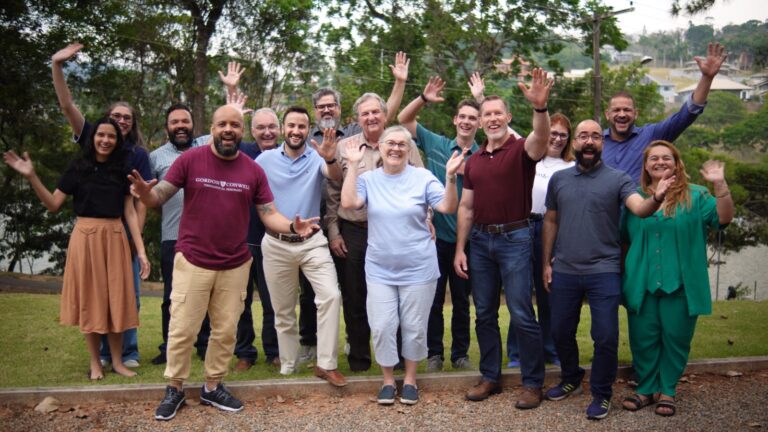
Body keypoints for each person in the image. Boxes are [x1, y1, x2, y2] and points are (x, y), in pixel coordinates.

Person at [130, 104, 320, 421]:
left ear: (242, 131)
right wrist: (144, 194)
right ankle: (174, 388)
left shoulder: (253, 170)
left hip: (235, 262)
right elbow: (159, 195)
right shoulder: (190, 159)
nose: (228, 130)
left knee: (225, 331)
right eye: (222, 124)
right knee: (182, 328)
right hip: (193, 259)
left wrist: (291, 226)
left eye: (234, 125)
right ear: (213, 129)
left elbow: (269, 213)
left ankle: (212, 385)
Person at [541, 120, 676, 420]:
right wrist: (546, 263)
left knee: (605, 336)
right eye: (583, 136)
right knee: (560, 331)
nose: (589, 141)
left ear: (602, 143)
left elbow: (640, 209)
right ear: (575, 142)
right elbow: (550, 220)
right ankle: (571, 377)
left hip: (604, 270)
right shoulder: (559, 179)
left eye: (595, 136)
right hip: (564, 269)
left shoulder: (618, 179)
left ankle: (601, 393)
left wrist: (657, 197)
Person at [3, 117, 150, 381]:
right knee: (91, 301)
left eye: (111, 136)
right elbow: (52, 204)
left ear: (118, 141)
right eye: (101, 135)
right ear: (93, 138)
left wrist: (140, 251)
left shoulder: (123, 169)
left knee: (117, 300)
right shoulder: (78, 167)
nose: (105, 140)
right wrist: (32, 176)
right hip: (86, 238)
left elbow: (129, 212)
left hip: (115, 237)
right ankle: (95, 363)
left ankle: (118, 362)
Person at [341, 125, 466, 405]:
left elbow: (447, 207)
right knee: (383, 325)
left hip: (418, 268)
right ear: (380, 147)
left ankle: (410, 380)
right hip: (380, 269)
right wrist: (353, 165)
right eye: (391, 143)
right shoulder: (368, 179)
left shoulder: (422, 177)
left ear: (409, 150)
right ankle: (387, 381)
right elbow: (349, 203)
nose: (396, 148)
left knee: (414, 325)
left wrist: (449, 177)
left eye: (402, 144)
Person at [454, 68, 553, 409]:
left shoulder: (522, 150)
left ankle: (532, 383)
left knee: (522, 313)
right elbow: (466, 208)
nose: (493, 119)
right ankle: (490, 377)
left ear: (508, 118)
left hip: (516, 238)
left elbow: (542, 136)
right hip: (480, 243)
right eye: (487, 114)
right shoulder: (474, 161)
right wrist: (460, 249)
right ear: (480, 121)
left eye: (498, 113)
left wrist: (540, 107)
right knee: (484, 313)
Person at [52, 43, 152, 368]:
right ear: (104, 123)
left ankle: (127, 354)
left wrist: (137, 243)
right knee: (96, 296)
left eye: (127, 118)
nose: (120, 121)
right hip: (93, 232)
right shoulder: (93, 139)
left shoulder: (137, 155)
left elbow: (137, 204)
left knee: (125, 295)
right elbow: (67, 106)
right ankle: (103, 357)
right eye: (116, 116)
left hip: (121, 233)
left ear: (132, 124)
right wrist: (57, 66)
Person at [620, 140, 733, 417]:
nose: (660, 162)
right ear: (646, 166)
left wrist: (719, 184)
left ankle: (668, 390)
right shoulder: (634, 199)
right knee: (643, 338)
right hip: (642, 282)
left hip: (681, 283)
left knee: (676, 338)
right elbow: (623, 239)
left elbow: (724, 219)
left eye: (666, 158)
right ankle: (646, 389)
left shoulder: (696, 195)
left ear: (676, 162)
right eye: (654, 158)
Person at [326, 52, 418, 372]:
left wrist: (426, 221)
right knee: (355, 295)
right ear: (358, 118)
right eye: (365, 113)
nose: (371, 117)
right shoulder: (345, 147)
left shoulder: (402, 144)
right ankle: (360, 359)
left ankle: (398, 358)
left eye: (376, 111)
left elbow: (419, 185)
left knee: (396, 294)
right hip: (354, 231)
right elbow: (333, 195)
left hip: (395, 232)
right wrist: (334, 232)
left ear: (384, 114)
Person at [255, 106, 347, 386]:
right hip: (276, 243)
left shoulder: (317, 156)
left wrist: (330, 158)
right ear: (283, 128)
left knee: (330, 295)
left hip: (312, 242)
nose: (296, 131)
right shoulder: (264, 160)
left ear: (309, 130)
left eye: (302, 127)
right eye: (291, 126)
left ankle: (326, 364)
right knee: (283, 310)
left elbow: (335, 176)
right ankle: (289, 366)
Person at [397, 76, 480, 372]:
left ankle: (460, 354)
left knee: (461, 301)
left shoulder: (484, 154)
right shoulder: (437, 144)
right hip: (433, 238)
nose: (466, 122)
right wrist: (423, 98)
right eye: (463, 117)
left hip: (467, 240)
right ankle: (434, 353)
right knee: (432, 300)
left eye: (473, 118)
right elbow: (403, 119)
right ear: (455, 119)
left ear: (479, 123)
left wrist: (481, 100)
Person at [505, 113, 575, 368]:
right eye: (553, 133)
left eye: (563, 135)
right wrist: (481, 98)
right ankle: (518, 352)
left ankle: (551, 349)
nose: (557, 139)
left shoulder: (571, 167)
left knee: (549, 292)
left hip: (553, 230)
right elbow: (508, 130)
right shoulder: (529, 156)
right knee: (520, 292)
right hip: (524, 226)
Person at [602, 42, 727, 183]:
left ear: (636, 114)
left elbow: (687, 115)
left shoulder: (651, 135)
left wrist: (707, 78)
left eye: (627, 110)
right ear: (607, 114)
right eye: (616, 110)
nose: (622, 115)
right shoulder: (595, 141)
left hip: (646, 198)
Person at [149, 103, 211, 366]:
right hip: (172, 236)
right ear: (167, 128)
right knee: (172, 296)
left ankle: (204, 345)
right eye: (175, 122)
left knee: (205, 293)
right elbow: (150, 198)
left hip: (205, 236)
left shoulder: (207, 145)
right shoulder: (156, 157)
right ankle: (169, 346)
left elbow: (227, 124)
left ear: (192, 124)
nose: (181, 126)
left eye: (185, 121)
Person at [232, 107, 282, 370]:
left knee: (273, 299)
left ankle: (274, 351)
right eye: (261, 127)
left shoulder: (286, 154)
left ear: (280, 129)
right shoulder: (241, 152)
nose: (267, 132)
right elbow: (215, 143)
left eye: (272, 126)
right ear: (252, 131)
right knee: (241, 301)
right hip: (242, 238)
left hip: (275, 239)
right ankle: (244, 353)